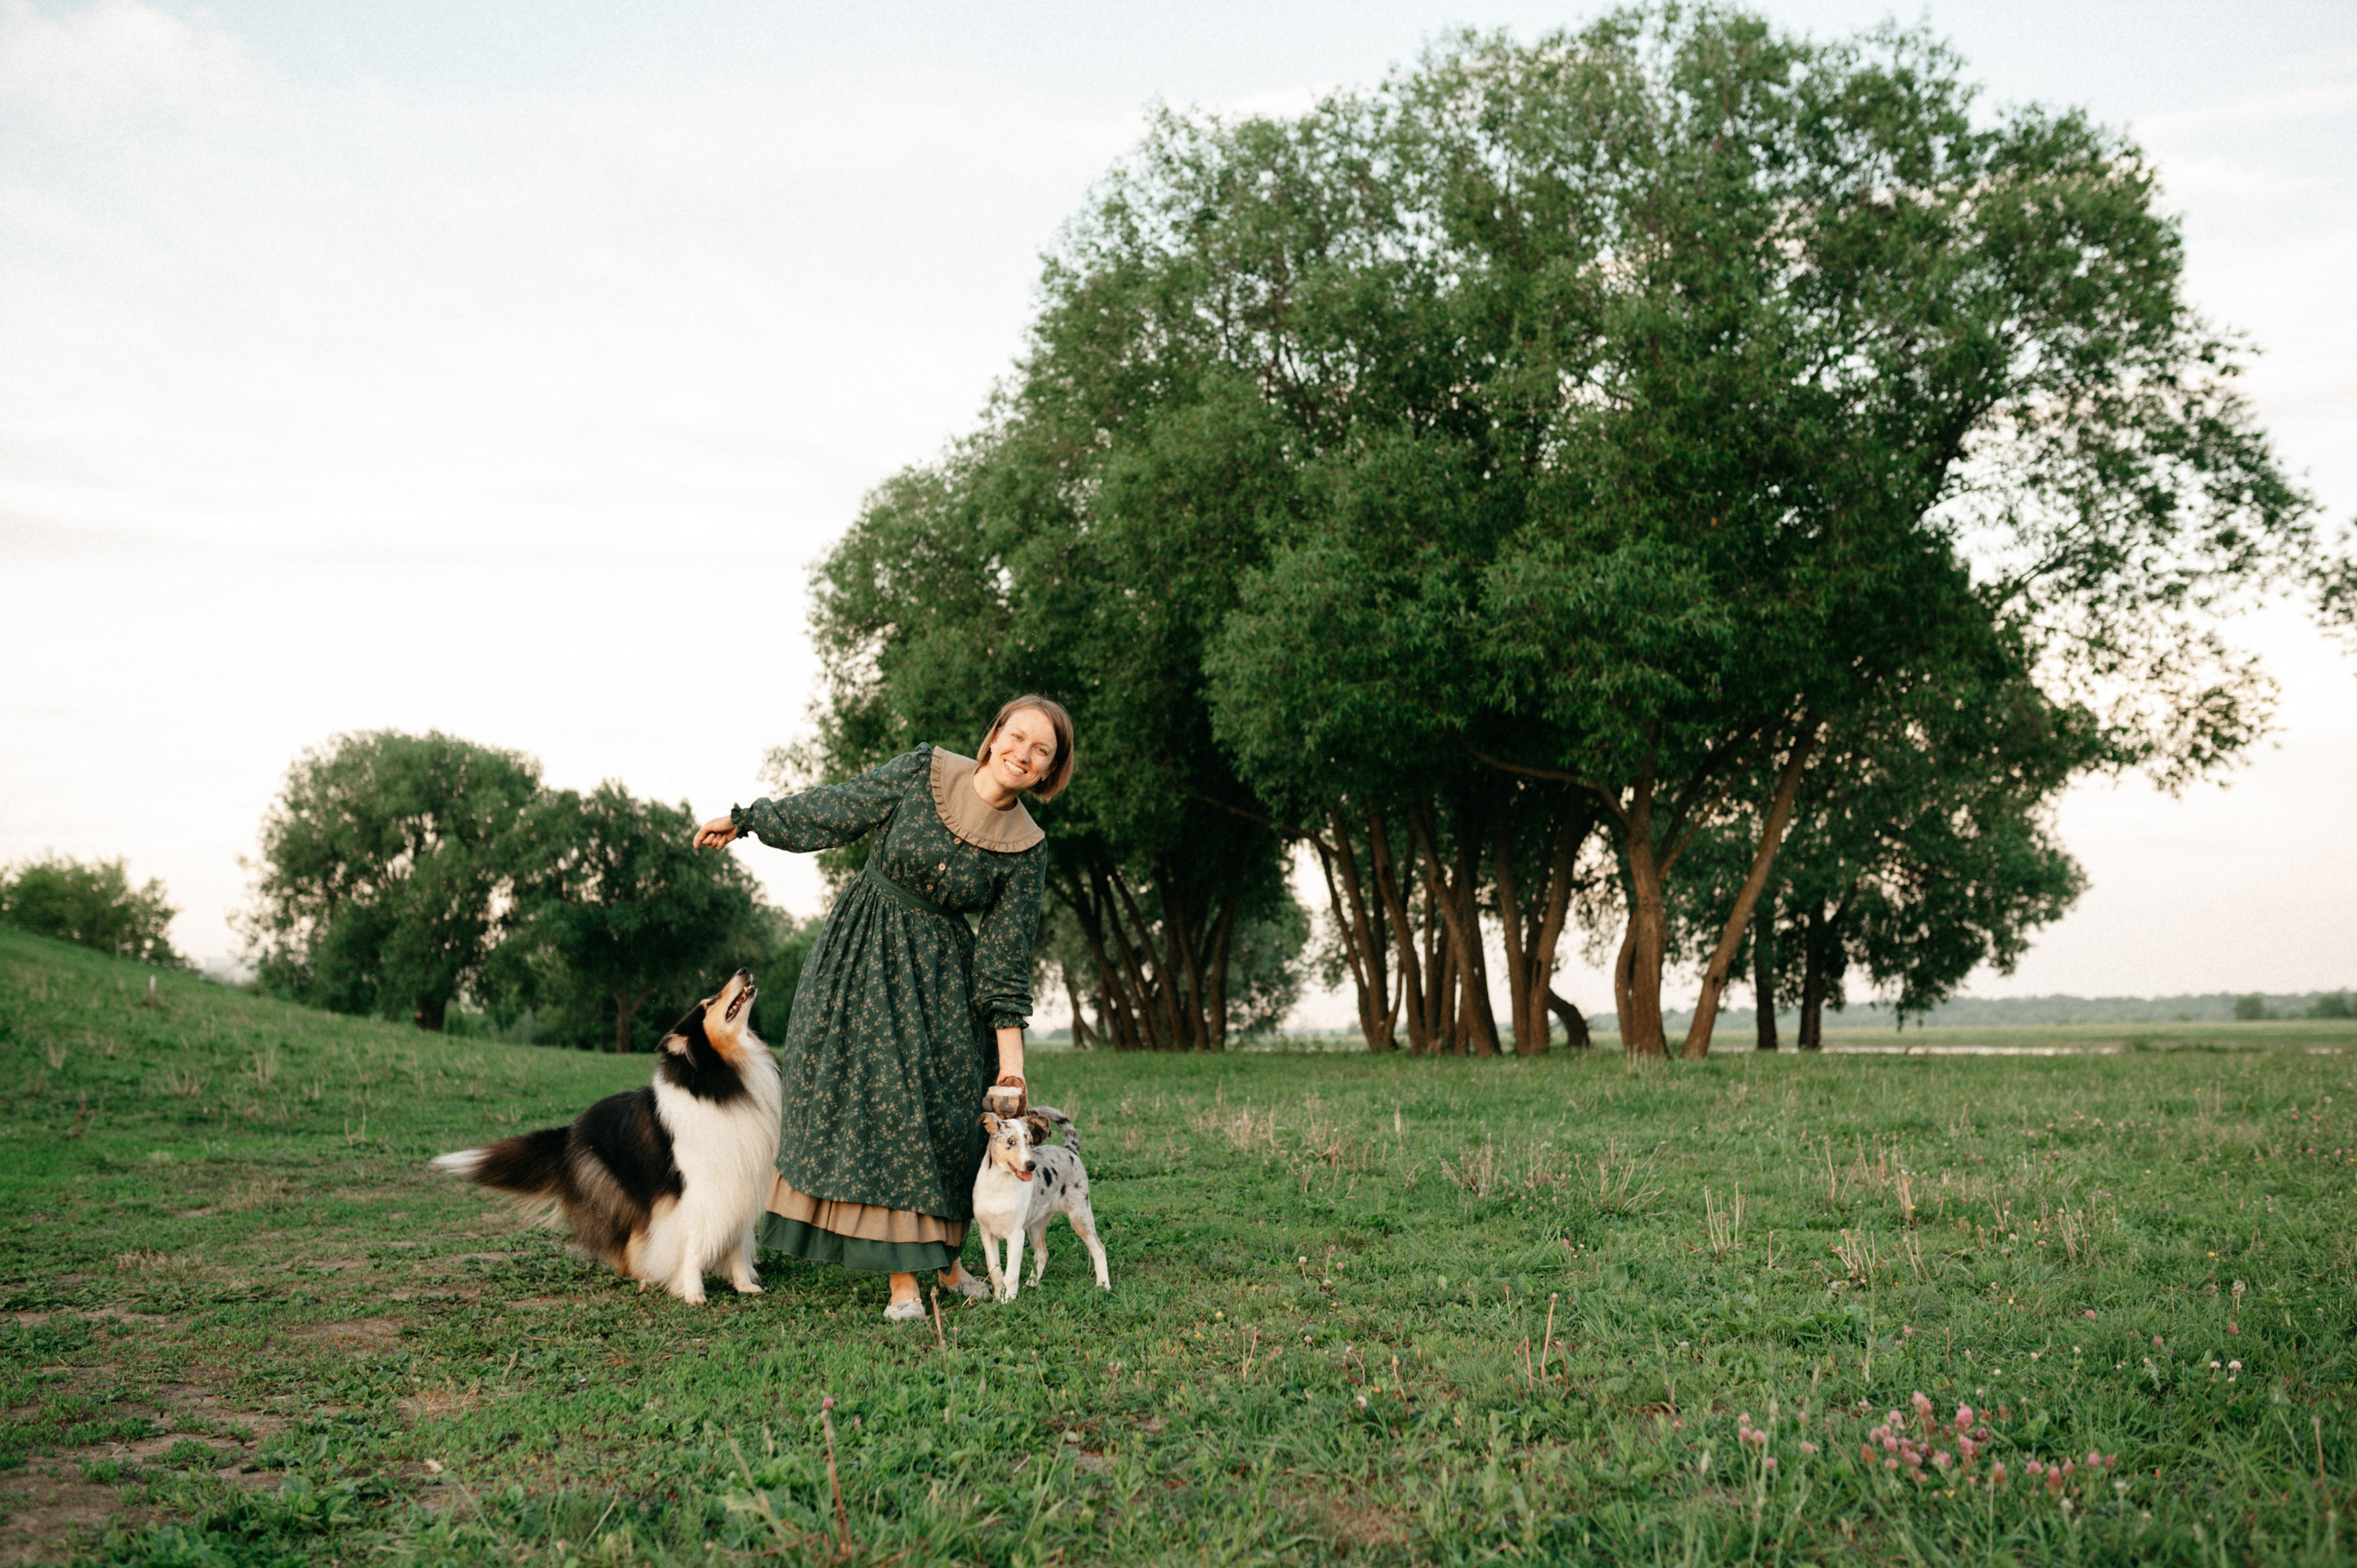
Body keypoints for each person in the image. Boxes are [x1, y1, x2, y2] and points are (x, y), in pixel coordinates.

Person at [692, 697, 1072, 1320]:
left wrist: (1010, 1065)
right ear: (995, 733)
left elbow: (1004, 956)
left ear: (1049, 772)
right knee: (892, 1112)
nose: (1023, 754)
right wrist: (750, 820)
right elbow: (838, 808)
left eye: (1042, 751)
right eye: (1017, 736)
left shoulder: (1028, 846)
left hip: (947, 981)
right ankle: (904, 1284)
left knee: (947, 1115)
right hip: (864, 956)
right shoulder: (925, 770)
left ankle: (948, 1266)